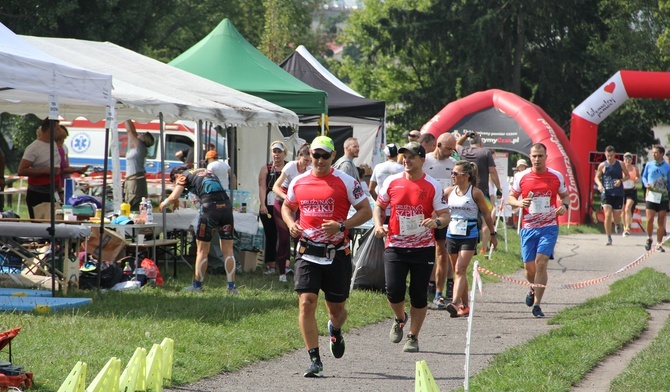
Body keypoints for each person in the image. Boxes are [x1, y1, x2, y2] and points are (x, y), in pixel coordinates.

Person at [281, 135, 371, 378]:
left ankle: (335, 330)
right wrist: (291, 223)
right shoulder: (299, 181)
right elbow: (287, 206)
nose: (319, 160)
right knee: (306, 302)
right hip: (307, 251)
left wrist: (342, 225)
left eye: (324, 156)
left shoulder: (345, 181)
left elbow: (365, 211)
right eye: (315, 155)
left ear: (333, 156)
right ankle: (315, 360)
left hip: (337, 254)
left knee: (336, 310)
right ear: (310, 155)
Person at [373, 141, 450, 353]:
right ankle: (400, 318)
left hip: (423, 248)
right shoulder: (391, 181)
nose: (406, 160)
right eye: (404, 156)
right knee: (393, 291)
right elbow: (379, 206)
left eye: (411, 156)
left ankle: (413, 336)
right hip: (395, 245)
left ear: (422, 160)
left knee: (418, 295)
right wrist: (379, 225)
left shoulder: (433, 185)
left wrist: (436, 223)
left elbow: (445, 216)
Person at [508, 143, 570, 318]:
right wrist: (520, 203)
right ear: (530, 157)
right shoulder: (522, 176)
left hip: (549, 226)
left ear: (546, 156)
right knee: (529, 269)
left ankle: (537, 304)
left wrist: (564, 206)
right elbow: (511, 197)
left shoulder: (556, 176)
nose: (537, 159)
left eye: (540, 156)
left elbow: (565, 196)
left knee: (541, 262)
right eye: (534, 156)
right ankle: (533, 286)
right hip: (528, 227)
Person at [160, 165, 237, 294]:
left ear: (176, 176)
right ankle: (232, 287)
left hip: (210, 208)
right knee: (228, 251)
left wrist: (164, 203)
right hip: (227, 207)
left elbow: (174, 196)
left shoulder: (183, 175)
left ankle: (197, 286)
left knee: (202, 251)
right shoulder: (204, 170)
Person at [444, 160, 497, 318]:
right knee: (458, 271)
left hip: (469, 233)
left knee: (460, 269)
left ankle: (454, 303)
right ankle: (465, 306)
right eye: (452, 173)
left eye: (455, 173)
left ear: (466, 176)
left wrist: (493, 235)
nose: (452, 176)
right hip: (451, 233)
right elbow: (440, 211)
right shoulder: (448, 192)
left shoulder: (475, 193)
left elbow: (486, 213)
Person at [422, 133, 457, 309]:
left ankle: (439, 291)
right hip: (425, 213)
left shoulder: (453, 165)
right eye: (448, 148)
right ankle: (425, 285)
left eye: (453, 148)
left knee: (442, 251)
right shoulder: (425, 160)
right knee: (424, 250)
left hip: (443, 214)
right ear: (439, 144)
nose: (451, 152)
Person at [272, 142, 312, 282]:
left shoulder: (310, 169)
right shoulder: (290, 166)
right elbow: (275, 187)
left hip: (298, 205)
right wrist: (287, 199)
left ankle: (298, 271)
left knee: (299, 238)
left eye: (310, 160)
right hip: (282, 202)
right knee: (283, 238)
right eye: (305, 160)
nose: (307, 163)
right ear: (299, 156)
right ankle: (282, 273)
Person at [456, 131, 502, 253]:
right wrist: (499, 188)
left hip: (465, 192)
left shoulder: (463, 151)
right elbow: (492, 171)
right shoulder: (485, 152)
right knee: (487, 216)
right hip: (482, 192)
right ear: (480, 142)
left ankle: (465, 245)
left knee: (467, 217)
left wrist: (465, 136)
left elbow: (457, 144)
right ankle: (484, 246)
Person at [18, 118, 62, 219]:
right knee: (41, 227)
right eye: (58, 129)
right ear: (50, 130)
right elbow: (21, 170)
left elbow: (57, 170)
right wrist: (46, 171)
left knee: (55, 223)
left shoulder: (54, 145)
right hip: (38, 193)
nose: (60, 132)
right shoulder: (34, 148)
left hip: (52, 192)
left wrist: (60, 191)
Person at [258, 141, 287, 274]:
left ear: (284, 153)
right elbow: (262, 186)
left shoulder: (288, 167)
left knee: (284, 235)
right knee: (271, 235)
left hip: (284, 205)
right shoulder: (266, 168)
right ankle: (270, 264)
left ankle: (285, 264)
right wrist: (263, 204)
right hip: (269, 204)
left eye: (279, 152)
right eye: (274, 152)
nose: (277, 155)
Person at [205, 150, 235, 275]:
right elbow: (232, 176)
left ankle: (217, 261)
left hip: (214, 195)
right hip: (226, 194)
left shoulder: (210, 166)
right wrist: (232, 188)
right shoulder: (225, 164)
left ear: (208, 159)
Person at [594, 146, 629, 245]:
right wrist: (600, 185)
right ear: (605, 154)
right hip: (607, 193)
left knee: (616, 216)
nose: (609, 157)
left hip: (618, 193)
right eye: (607, 155)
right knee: (608, 215)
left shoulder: (620, 164)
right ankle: (609, 238)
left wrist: (620, 181)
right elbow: (596, 177)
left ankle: (617, 224)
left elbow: (627, 175)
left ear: (614, 154)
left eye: (611, 155)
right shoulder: (602, 165)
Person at [640, 145, 670, 252]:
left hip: (663, 196)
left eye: (656, 152)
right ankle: (649, 238)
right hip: (651, 196)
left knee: (661, 220)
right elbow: (643, 176)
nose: (653, 154)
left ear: (662, 154)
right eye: (653, 152)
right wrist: (645, 183)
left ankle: (659, 243)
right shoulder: (649, 165)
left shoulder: (667, 167)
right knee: (649, 219)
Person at [123, 120, 154, 211]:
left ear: (144, 139)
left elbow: (130, 132)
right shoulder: (139, 147)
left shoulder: (141, 146)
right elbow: (133, 131)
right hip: (131, 180)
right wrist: (128, 119)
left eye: (143, 134)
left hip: (135, 180)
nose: (140, 134)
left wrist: (125, 118)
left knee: (134, 204)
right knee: (129, 203)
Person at [621, 152, 639, 236]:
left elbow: (638, 176)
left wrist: (636, 179)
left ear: (632, 160)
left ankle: (628, 227)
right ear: (623, 160)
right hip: (621, 191)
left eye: (629, 159)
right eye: (626, 159)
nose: (627, 160)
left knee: (627, 208)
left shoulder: (635, 169)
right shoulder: (620, 169)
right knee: (622, 210)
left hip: (631, 191)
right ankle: (624, 226)